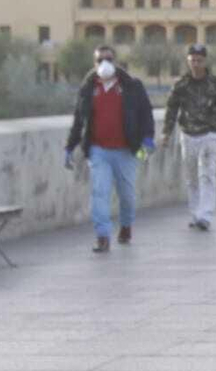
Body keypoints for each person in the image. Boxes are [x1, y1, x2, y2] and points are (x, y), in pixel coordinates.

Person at [64, 45, 156, 253]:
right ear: (94, 63)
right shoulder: (88, 88)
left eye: (109, 59)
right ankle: (102, 236)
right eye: (99, 60)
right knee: (99, 193)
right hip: (99, 150)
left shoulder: (132, 86)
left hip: (126, 150)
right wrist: (69, 146)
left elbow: (146, 114)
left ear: (115, 62)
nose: (104, 63)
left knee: (127, 195)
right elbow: (79, 120)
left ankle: (125, 226)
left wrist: (148, 138)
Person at [160, 43, 216, 232]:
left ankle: (206, 215)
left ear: (205, 61)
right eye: (192, 60)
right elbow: (171, 110)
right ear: (188, 61)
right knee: (191, 177)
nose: (196, 64)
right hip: (187, 135)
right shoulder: (180, 85)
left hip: (210, 134)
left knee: (208, 175)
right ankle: (196, 213)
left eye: (199, 60)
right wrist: (166, 133)